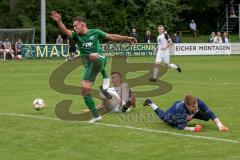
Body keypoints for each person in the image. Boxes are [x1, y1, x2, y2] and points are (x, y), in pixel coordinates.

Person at [50, 11, 137, 123]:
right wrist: (59, 21)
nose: (74, 28)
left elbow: (110, 36)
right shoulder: (76, 36)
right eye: (73, 26)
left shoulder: (95, 32)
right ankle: (96, 116)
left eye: (76, 25)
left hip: (100, 59)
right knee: (85, 92)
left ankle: (105, 76)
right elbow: (66, 31)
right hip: (88, 66)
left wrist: (127, 38)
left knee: (93, 55)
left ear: (83, 24)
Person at [143, 95, 229, 132]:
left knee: (207, 116)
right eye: (193, 106)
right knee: (165, 118)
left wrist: (219, 125)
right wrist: (193, 129)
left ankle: (190, 115)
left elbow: (210, 113)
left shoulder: (198, 102)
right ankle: (150, 102)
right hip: (172, 115)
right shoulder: (181, 110)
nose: (195, 107)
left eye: (196, 105)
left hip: (187, 113)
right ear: (187, 105)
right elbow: (181, 127)